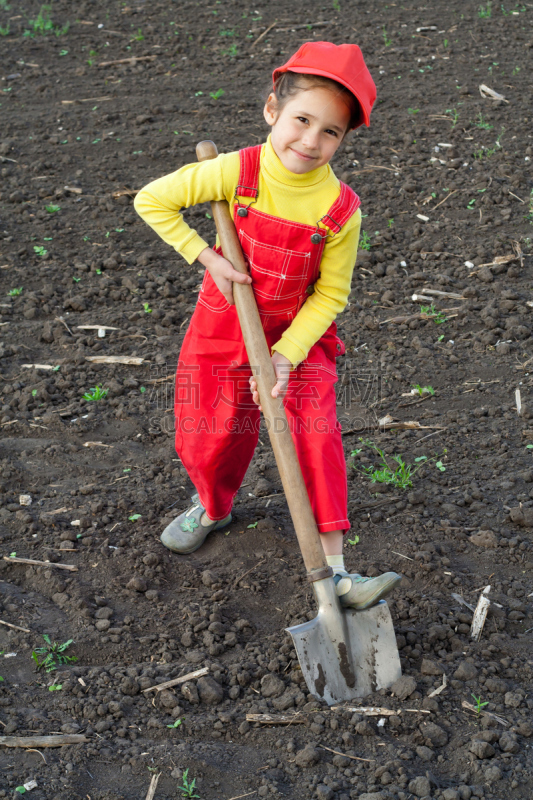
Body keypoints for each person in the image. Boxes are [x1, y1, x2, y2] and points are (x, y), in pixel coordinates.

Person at [134, 41, 401, 610]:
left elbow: (331, 293)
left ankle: (336, 573)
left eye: (330, 131)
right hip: (222, 329)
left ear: (344, 138)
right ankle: (213, 504)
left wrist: (286, 354)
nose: (311, 140)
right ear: (272, 110)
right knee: (210, 432)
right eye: (302, 120)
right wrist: (205, 257)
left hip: (299, 341)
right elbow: (152, 200)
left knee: (316, 435)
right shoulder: (236, 171)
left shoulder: (340, 209)